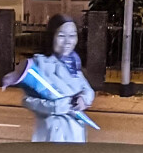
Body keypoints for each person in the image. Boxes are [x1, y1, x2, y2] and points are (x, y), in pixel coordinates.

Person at [17, 15, 95, 144]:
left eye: (72, 35)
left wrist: (84, 99)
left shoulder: (74, 64)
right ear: (51, 37)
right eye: (61, 36)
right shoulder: (39, 64)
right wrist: (55, 107)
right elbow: (27, 100)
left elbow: (87, 89)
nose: (68, 41)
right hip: (52, 133)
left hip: (75, 133)